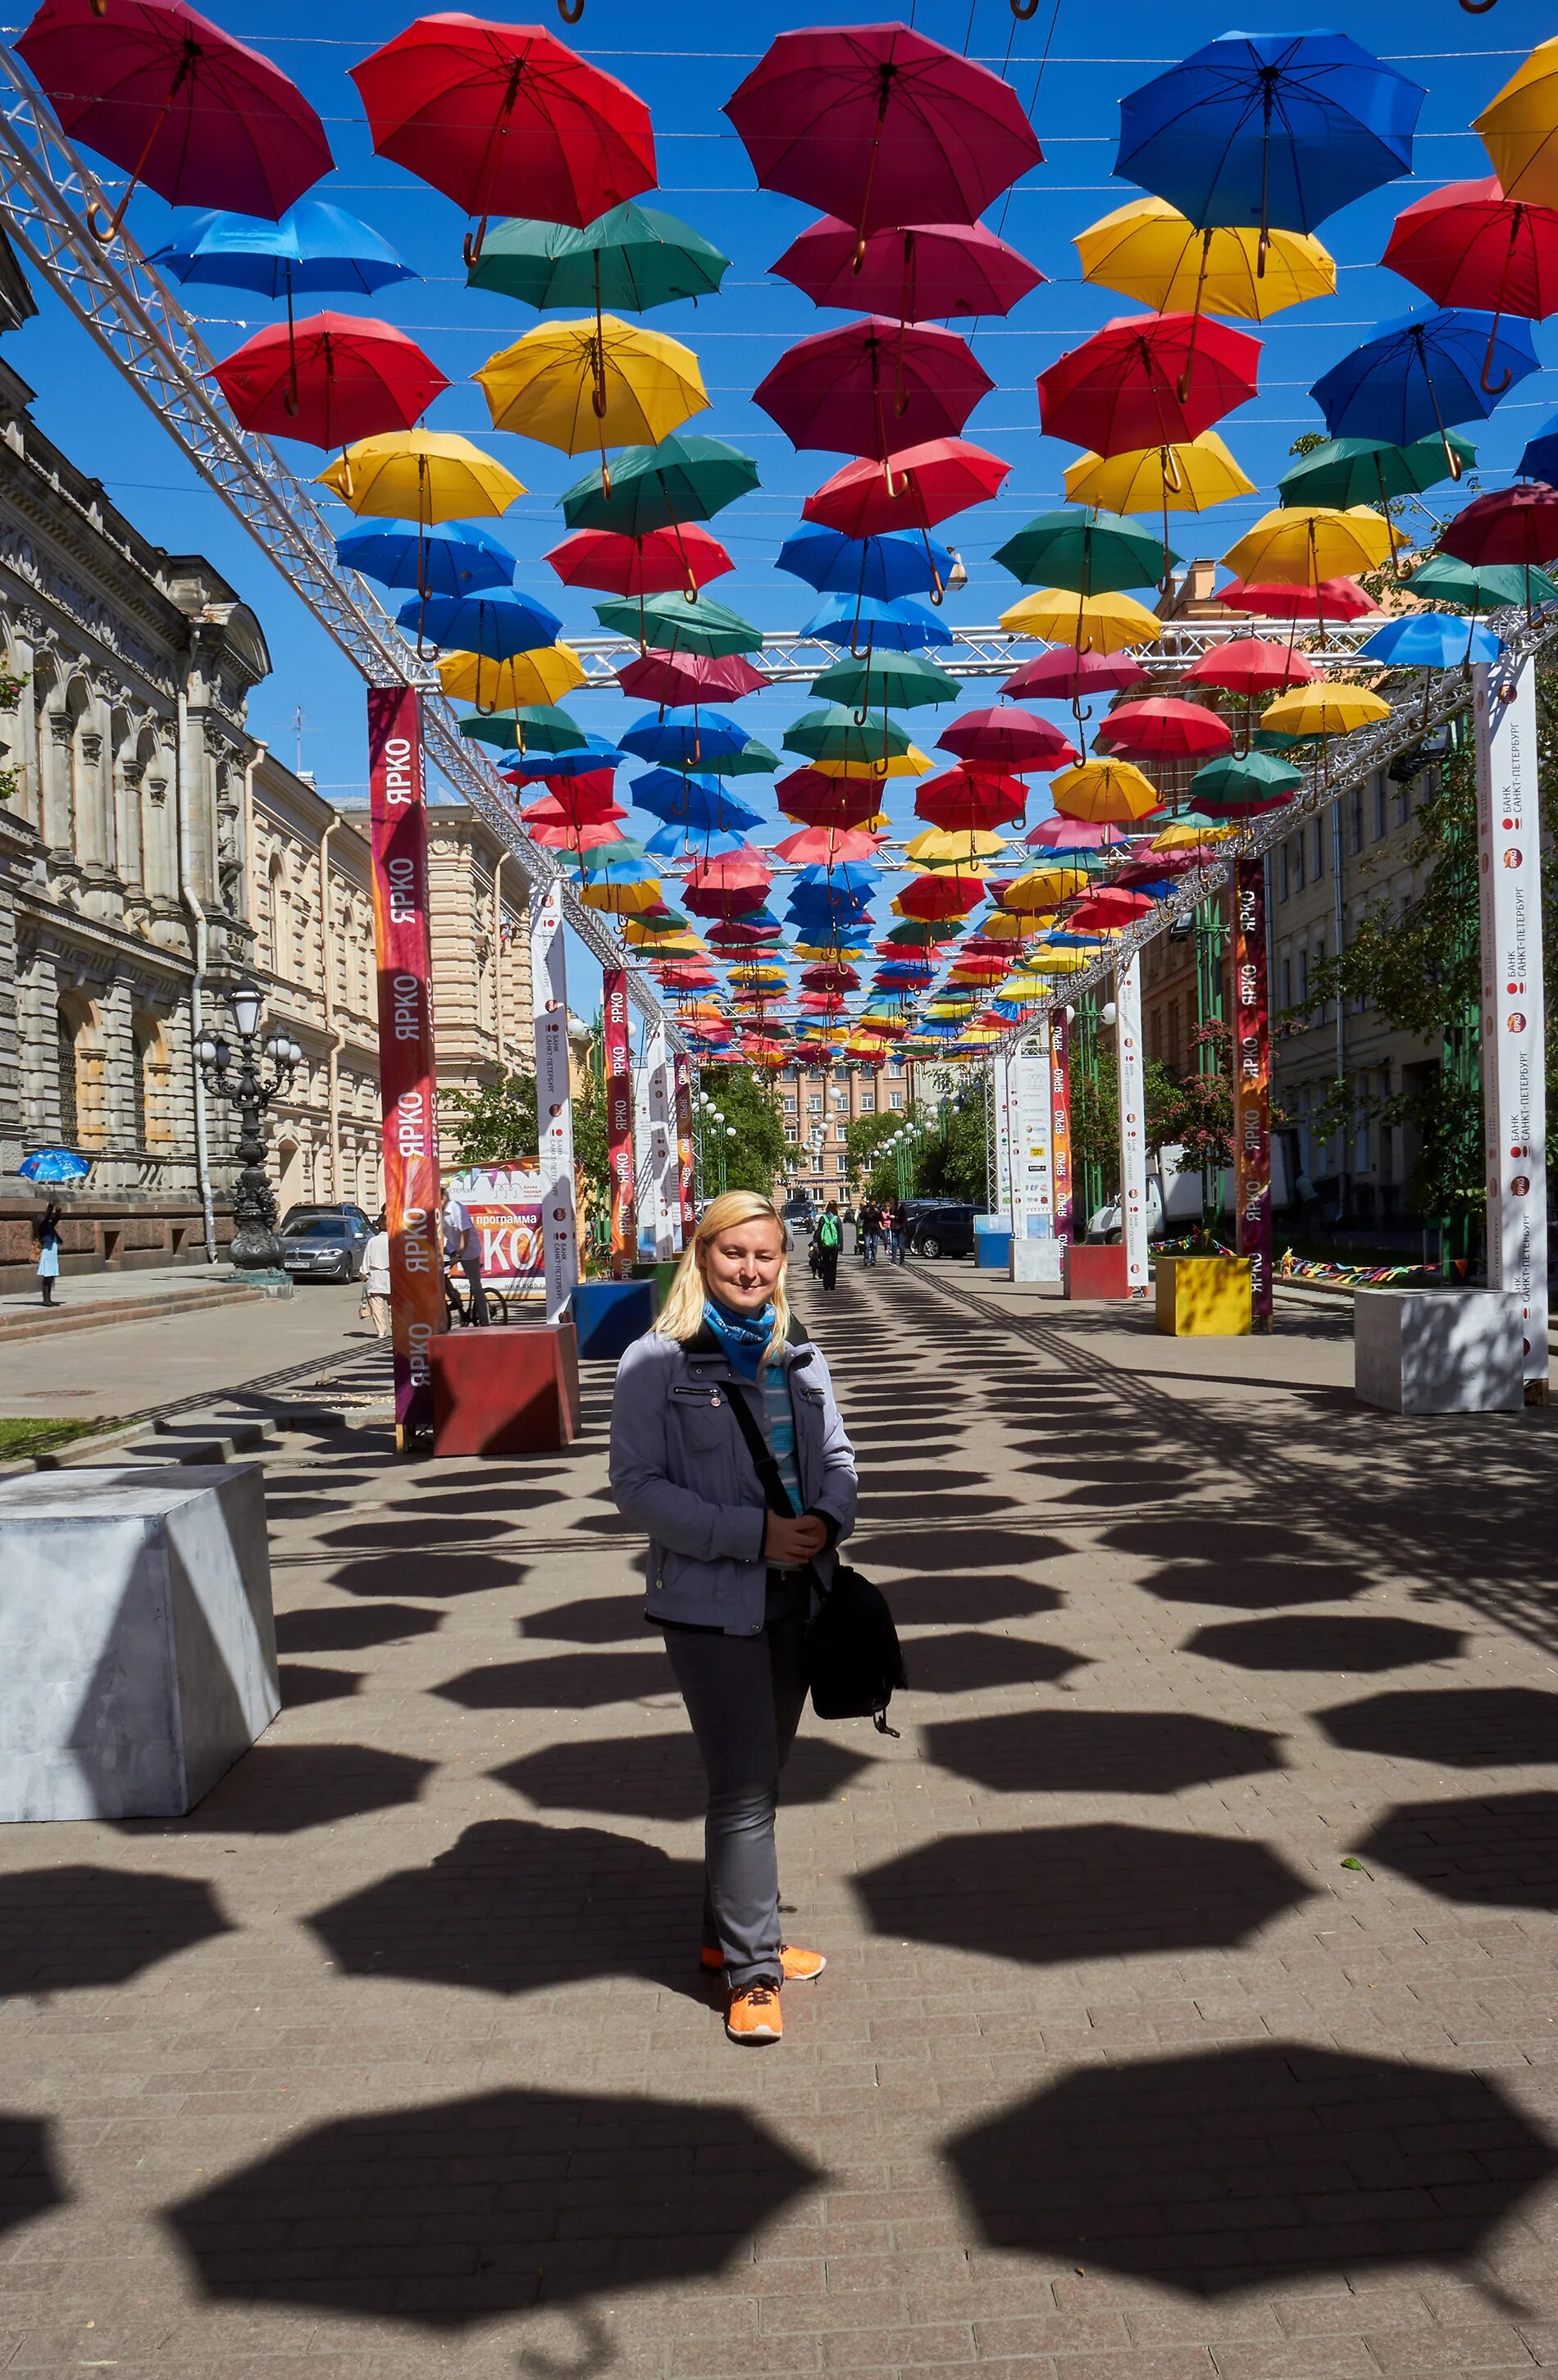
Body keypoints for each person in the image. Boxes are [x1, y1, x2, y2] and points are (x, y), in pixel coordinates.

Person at [609, 1190, 857, 2048]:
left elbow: (835, 1457)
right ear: (701, 1255)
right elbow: (637, 1487)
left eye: (766, 1255)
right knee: (746, 1784)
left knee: (759, 1776)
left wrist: (828, 1518)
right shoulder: (657, 1359)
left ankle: (727, 1933)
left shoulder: (802, 1355)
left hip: (800, 1589)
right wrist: (754, 1534)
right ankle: (753, 1972)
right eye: (734, 1254)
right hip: (712, 1603)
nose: (751, 1269)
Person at [441, 1182, 489, 1324]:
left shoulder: (456, 1208)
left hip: (469, 1250)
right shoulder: (438, 1212)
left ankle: (485, 1320)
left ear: (443, 1198)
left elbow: (465, 1233)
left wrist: (460, 1255)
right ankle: (456, 1299)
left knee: (475, 1285)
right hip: (451, 1247)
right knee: (439, 1276)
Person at [360, 1213, 391, 1340]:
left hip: (375, 1276)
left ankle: (381, 1331)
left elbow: (367, 1258)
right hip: (391, 1276)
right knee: (393, 1306)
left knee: (377, 1306)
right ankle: (396, 1328)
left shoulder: (373, 1241)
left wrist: (364, 1273)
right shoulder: (394, 1240)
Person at [33, 1200, 62, 1308]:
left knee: (51, 1277)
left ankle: (49, 1299)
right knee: (47, 1276)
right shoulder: (43, 1227)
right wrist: (50, 1207)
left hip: (52, 1253)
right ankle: (46, 1300)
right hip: (47, 1253)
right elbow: (47, 1218)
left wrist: (58, 1211)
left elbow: (55, 1219)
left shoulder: (49, 1226)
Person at [814, 1199, 842, 1291]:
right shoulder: (837, 1219)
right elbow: (840, 1233)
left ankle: (826, 1285)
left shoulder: (823, 1218)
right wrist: (841, 1246)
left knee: (826, 1264)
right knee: (833, 1265)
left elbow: (819, 1233)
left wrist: (819, 1245)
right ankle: (832, 1285)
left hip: (825, 1244)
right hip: (835, 1244)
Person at [858, 1196, 880, 1267]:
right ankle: (866, 1259)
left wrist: (877, 1212)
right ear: (869, 1202)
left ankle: (873, 1259)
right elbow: (861, 1217)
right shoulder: (865, 1208)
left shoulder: (877, 1209)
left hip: (875, 1229)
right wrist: (865, 1212)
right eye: (871, 1202)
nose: (872, 1204)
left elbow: (881, 1218)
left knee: (874, 1245)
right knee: (866, 1245)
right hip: (867, 1229)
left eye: (874, 1202)